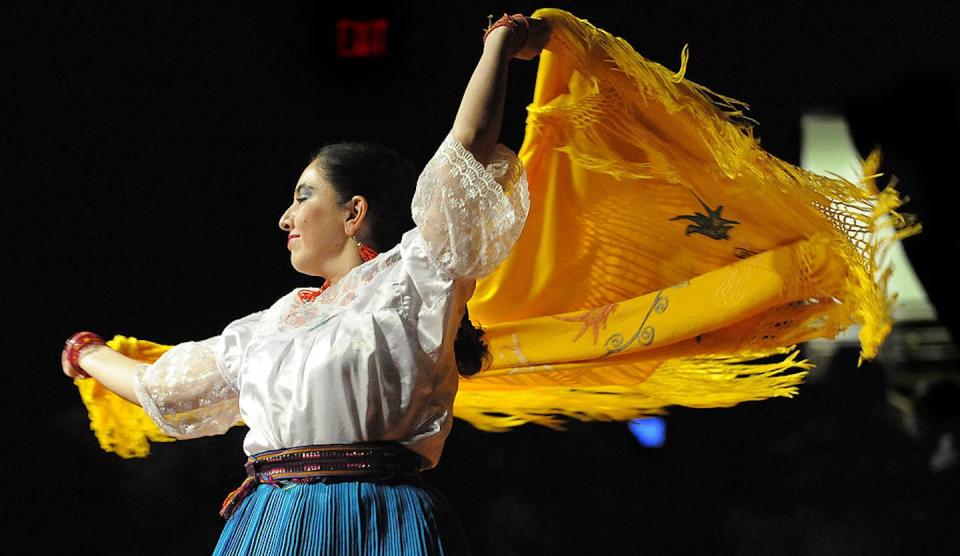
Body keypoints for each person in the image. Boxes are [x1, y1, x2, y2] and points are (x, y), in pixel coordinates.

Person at [61, 13, 551, 555]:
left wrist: (499, 47)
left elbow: (466, 152)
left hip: (381, 521)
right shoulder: (269, 327)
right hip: (273, 523)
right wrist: (86, 352)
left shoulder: (414, 278)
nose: (284, 218)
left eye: (302, 196)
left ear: (353, 212)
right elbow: (162, 387)